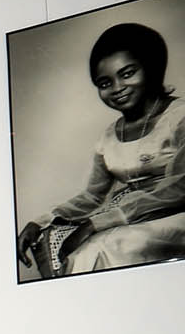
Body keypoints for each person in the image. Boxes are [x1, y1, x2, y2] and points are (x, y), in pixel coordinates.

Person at [18, 23, 185, 278]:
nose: (117, 88)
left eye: (127, 73)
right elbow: (93, 197)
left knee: (102, 247)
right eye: (105, 83)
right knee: (56, 241)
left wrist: (96, 224)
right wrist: (40, 222)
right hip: (128, 219)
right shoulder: (109, 136)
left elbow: (179, 187)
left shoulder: (179, 116)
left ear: (152, 67)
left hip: (173, 216)